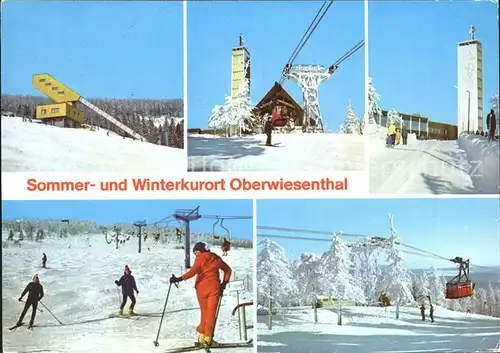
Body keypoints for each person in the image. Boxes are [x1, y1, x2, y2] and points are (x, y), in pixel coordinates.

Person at [170, 242, 232, 348]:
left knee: (204, 313)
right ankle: (208, 339)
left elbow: (193, 272)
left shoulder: (200, 258)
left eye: (196, 252)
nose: (195, 254)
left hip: (201, 289)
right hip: (214, 287)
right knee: (211, 313)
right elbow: (228, 270)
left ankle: (202, 336)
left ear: (200, 250)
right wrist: (224, 284)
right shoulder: (215, 258)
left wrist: (178, 279)